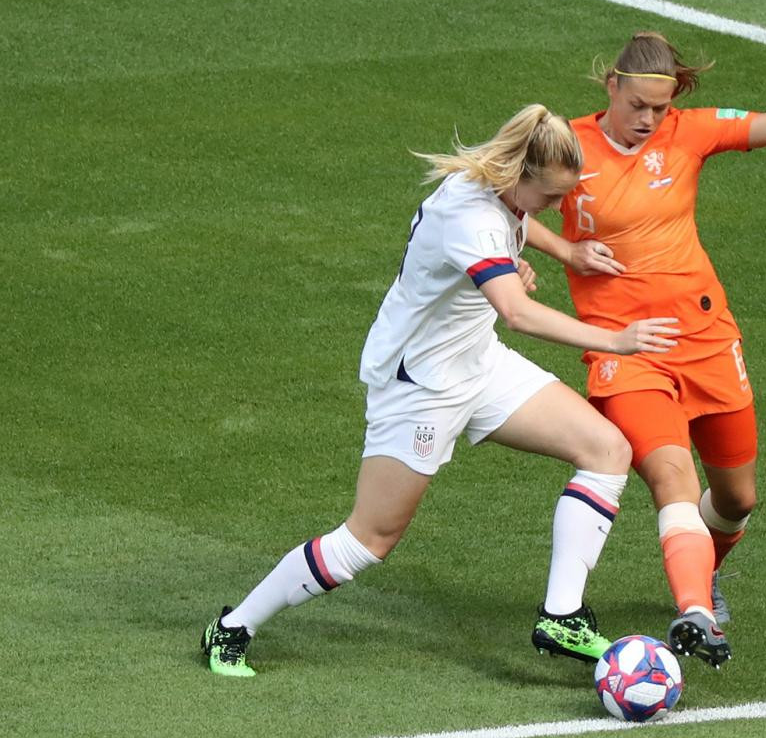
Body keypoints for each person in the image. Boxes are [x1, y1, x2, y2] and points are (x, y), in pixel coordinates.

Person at [200, 104, 680, 677]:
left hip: (479, 364)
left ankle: (561, 617)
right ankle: (232, 628)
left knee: (607, 449)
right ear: (518, 177)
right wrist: (616, 341)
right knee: (370, 539)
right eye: (552, 196)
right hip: (421, 387)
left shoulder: (501, 191)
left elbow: (520, 229)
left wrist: (564, 252)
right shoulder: (470, 217)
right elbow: (518, 314)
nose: (557, 207)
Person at [525, 26, 766, 667]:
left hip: (708, 340)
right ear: (613, 87)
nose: (648, 120)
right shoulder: (569, 144)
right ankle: (694, 610)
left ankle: (700, 574)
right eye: (637, 106)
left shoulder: (688, 132)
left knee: (738, 498)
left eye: (660, 108)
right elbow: (502, 201)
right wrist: (565, 249)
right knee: (672, 477)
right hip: (625, 353)